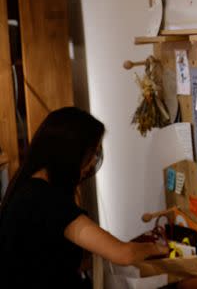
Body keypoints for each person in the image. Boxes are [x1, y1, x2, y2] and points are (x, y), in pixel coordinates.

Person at [0, 107, 168, 288]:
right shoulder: (44, 199)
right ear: (71, 153)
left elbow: (53, 260)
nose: (91, 164)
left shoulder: (29, 187)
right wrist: (158, 248)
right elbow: (124, 254)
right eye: (91, 154)